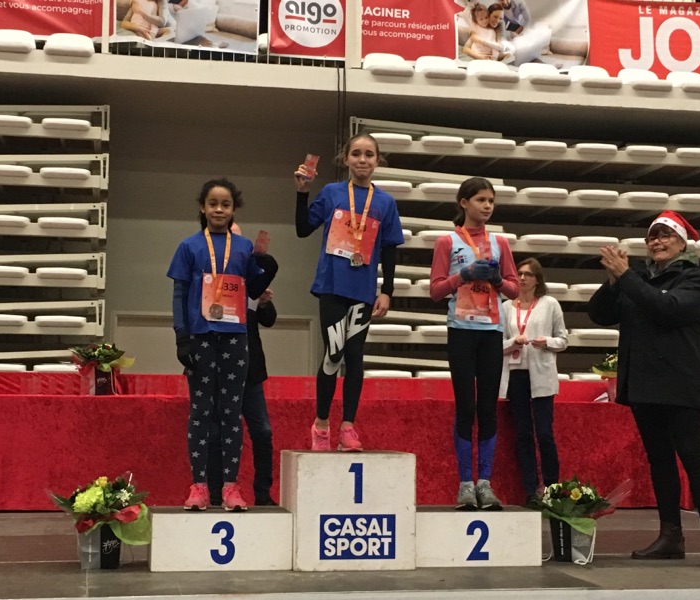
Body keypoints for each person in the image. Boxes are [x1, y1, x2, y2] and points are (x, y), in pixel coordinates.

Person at [588, 210, 700, 570]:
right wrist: (613, 282)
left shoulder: (693, 278)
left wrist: (627, 277)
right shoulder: (639, 277)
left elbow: (666, 308)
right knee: (659, 460)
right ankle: (670, 536)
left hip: (678, 382)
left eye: (665, 235)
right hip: (644, 384)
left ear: (681, 242)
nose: (657, 242)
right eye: (652, 236)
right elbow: (599, 314)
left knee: (694, 459)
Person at [168, 178, 278, 512]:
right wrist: (181, 336)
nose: (219, 209)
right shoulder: (189, 246)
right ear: (203, 208)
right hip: (201, 337)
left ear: (233, 210)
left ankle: (231, 487)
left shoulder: (243, 247)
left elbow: (255, 288)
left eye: (226, 204)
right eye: (213, 204)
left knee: (231, 414)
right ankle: (199, 486)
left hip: (235, 338)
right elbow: (179, 294)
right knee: (201, 413)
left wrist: (268, 266)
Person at [294, 133, 404, 452]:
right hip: (331, 286)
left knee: (355, 356)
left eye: (369, 154)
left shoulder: (385, 203)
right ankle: (321, 425)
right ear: (346, 160)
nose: (362, 159)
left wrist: (387, 291)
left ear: (377, 160)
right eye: (356, 154)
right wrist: (302, 193)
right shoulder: (332, 193)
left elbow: (390, 250)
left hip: (363, 291)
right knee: (334, 353)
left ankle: (348, 427)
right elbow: (303, 229)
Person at [429, 177, 519, 511]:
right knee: (466, 406)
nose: (487, 206)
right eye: (481, 200)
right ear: (464, 203)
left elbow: (514, 288)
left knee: (488, 407)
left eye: (491, 201)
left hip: (491, 331)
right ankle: (465, 484)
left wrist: (497, 279)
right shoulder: (447, 242)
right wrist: (463, 275)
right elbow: (435, 290)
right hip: (461, 331)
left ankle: (485, 483)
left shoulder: (500, 243)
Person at [206, 225, 278, 507]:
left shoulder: (250, 278)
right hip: (217, 370)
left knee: (263, 432)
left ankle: (262, 493)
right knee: (216, 432)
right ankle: (215, 494)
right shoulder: (209, 277)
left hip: (250, 372)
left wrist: (263, 302)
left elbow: (268, 319)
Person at [500, 258, 568, 506]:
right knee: (523, 434)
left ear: (537, 279)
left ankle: (551, 489)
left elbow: (563, 340)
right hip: (516, 373)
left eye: (528, 274)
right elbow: (497, 344)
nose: (522, 278)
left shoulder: (550, 304)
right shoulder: (506, 307)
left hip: (541, 373)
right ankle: (530, 491)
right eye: (519, 273)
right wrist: (512, 342)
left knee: (544, 434)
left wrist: (546, 342)